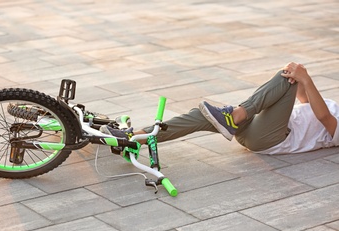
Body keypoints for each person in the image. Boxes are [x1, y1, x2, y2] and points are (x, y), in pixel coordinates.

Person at [101, 62, 339, 154]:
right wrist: (297, 75)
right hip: (261, 127)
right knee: (201, 116)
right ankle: (134, 137)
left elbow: (324, 117)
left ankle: (235, 115)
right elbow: (307, 103)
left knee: (284, 78)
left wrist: (306, 79)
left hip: (272, 139)